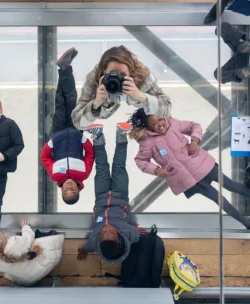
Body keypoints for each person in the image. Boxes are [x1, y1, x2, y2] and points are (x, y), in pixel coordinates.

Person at [129, 108, 250, 229]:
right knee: (221, 201)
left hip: (204, 165)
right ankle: (247, 224)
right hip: (189, 180)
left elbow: (194, 126)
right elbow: (141, 161)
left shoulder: (173, 123)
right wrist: (156, 170)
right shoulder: (147, 142)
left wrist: (194, 141)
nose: (160, 124)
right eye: (154, 124)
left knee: (231, 185)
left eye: (160, 119)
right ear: (148, 128)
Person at [77, 123, 146, 263]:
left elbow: (88, 247)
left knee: (101, 166)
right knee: (119, 164)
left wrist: (83, 251)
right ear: (119, 239)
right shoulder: (127, 233)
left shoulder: (93, 240)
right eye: (112, 232)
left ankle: (98, 136)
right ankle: (121, 135)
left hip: (101, 195)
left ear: (99, 239)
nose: (107, 228)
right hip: (120, 193)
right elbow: (137, 236)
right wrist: (137, 229)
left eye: (103, 232)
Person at [71, 45, 171, 130]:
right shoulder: (95, 79)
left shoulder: (142, 77)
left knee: (146, 106)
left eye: (123, 75)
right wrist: (96, 103)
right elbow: (78, 123)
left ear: (131, 72)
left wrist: (141, 96)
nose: (117, 80)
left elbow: (167, 108)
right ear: (104, 71)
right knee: (102, 113)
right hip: (105, 107)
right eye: (111, 74)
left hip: (137, 93)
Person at [40, 48, 94, 205]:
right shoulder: (83, 174)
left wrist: (52, 141)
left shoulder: (55, 175)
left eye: (66, 191)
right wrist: (83, 139)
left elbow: (45, 157)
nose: (69, 187)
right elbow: (90, 155)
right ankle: (65, 67)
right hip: (76, 129)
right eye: (73, 190)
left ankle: (64, 67)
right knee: (71, 98)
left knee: (60, 100)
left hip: (59, 131)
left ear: (61, 189)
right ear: (79, 189)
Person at [0, 220, 64, 286]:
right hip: (43, 265)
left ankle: (39, 284)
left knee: (10, 270)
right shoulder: (14, 242)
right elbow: (28, 237)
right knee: (42, 241)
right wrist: (25, 227)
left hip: (26, 280)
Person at [0, 98, 24, 229]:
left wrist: (4, 156)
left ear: (0, 111)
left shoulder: (10, 124)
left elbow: (19, 145)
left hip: (0, 172)